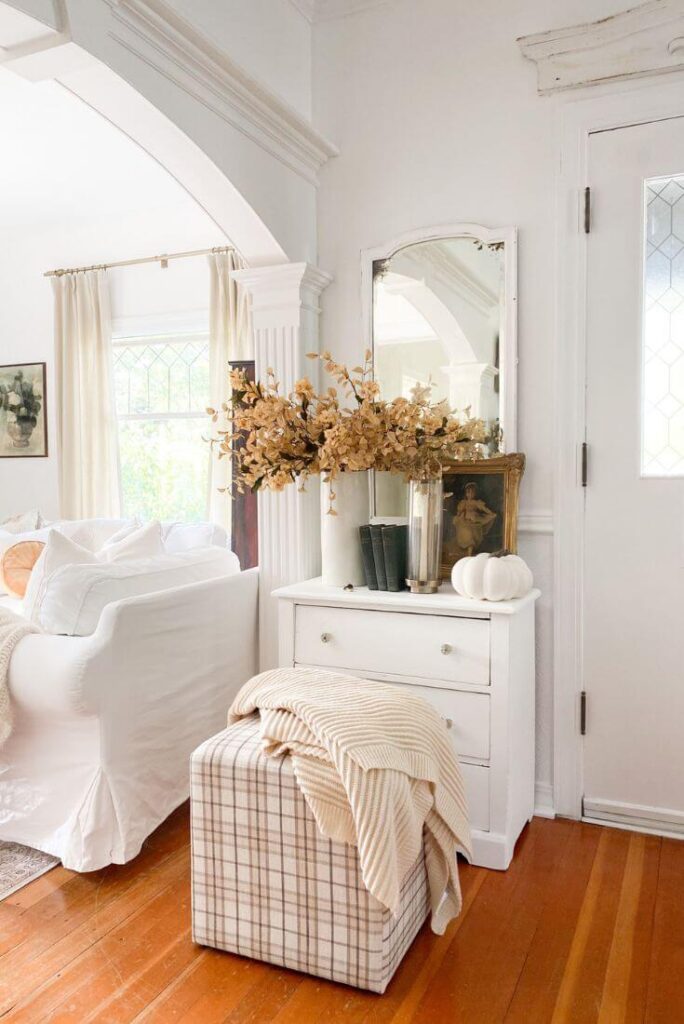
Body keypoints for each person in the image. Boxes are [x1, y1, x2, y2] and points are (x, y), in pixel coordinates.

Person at [451, 482, 497, 558]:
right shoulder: (463, 502)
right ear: (466, 494)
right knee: (467, 536)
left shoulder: (476, 502)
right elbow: (459, 512)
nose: (470, 494)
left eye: (472, 492)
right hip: (465, 522)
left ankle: (469, 554)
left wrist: (491, 513)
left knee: (472, 537)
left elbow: (484, 509)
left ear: (475, 493)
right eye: (468, 492)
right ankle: (468, 554)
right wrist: (457, 516)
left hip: (474, 522)